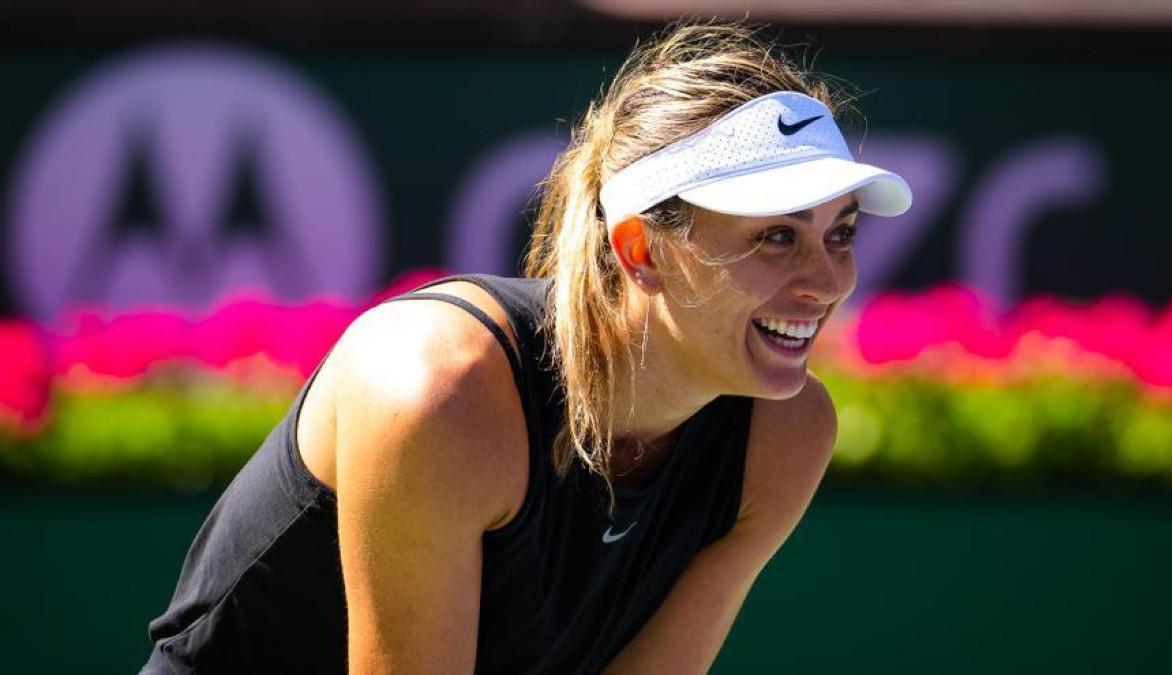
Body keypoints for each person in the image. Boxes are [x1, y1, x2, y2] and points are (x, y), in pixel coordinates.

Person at [142, 20, 911, 674]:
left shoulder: (786, 434)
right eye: (777, 235)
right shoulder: (437, 391)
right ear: (641, 249)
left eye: (839, 232)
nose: (827, 280)